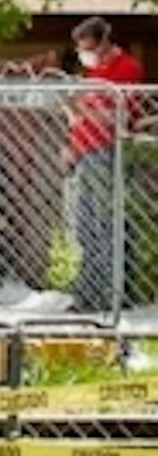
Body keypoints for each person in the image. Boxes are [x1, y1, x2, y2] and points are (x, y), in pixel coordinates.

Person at [66, 16, 143, 312]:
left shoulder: (126, 69)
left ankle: (113, 294)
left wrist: (89, 110)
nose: (86, 55)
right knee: (85, 228)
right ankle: (88, 293)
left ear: (104, 43)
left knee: (107, 226)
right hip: (85, 152)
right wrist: (71, 144)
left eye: (89, 48)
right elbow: (82, 116)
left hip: (107, 152)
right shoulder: (92, 74)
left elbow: (119, 118)